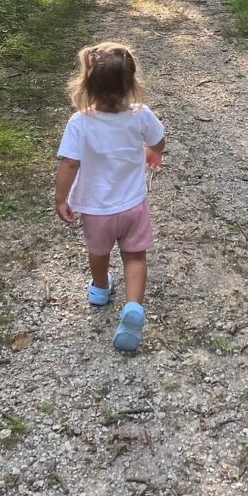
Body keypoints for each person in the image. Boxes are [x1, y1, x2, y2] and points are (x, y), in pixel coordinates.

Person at [54, 41, 165, 352]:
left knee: (99, 252)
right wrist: (152, 151)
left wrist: (61, 198)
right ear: (131, 83)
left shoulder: (80, 122)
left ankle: (100, 289)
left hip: (97, 211)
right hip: (133, 206)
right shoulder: (140, 115)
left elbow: (69, 163)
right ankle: (133, 306)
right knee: (134, 256)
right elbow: (159, 141)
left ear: (86, 83)